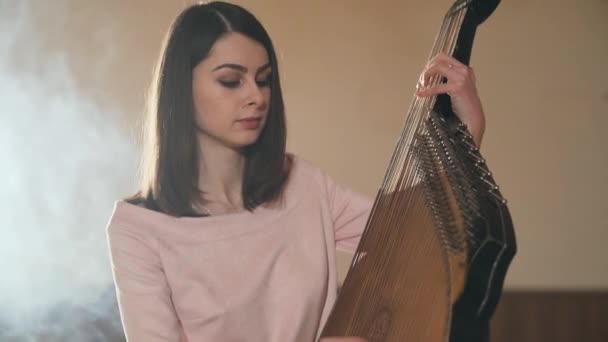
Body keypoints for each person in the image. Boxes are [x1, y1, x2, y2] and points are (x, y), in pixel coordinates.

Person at [105, 2, 486, 342]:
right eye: (231, 81)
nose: (256, 95)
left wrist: (468, 125)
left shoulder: (302, 184)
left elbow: (411, 233)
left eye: (264, 78)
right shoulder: (138, 230)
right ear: (180, 90)